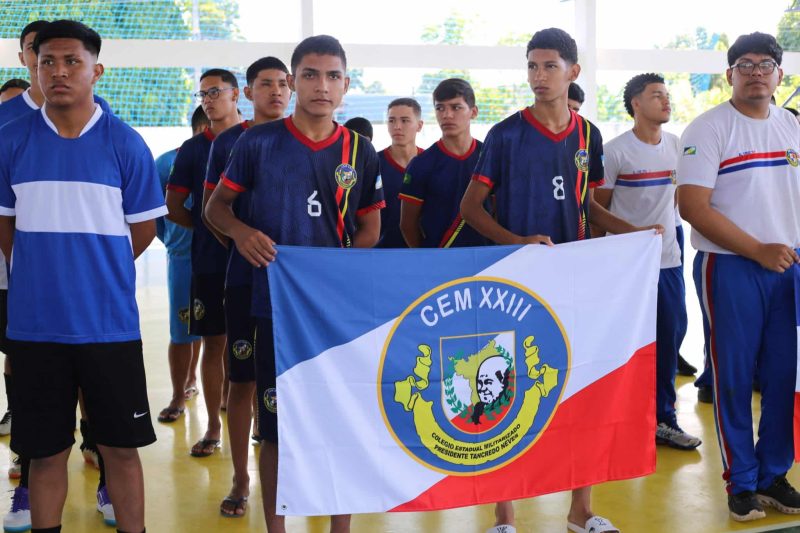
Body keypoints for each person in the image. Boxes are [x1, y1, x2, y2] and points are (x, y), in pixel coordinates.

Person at [461, 27, 662, 533]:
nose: (539, 76)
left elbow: (589, 205)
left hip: (575, 278)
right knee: (505, 390)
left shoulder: (588, 134)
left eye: (550, 66)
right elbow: (470, 208)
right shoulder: (506, 134)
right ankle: (504, 516)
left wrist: (634, 234)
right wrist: (517, 241)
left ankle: (580, 511)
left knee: (581, 389)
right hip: (515, 281)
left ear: (573, 72)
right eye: (532, 65)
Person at [205, 34, 383, 533]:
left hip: (336, 312)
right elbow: (215, 207)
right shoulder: (257, 142)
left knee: (339, 424)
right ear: (293, 81)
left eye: (332, 76)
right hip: (273, 307)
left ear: (346, 84)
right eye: (309, 75)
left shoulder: (360, 151)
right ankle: (276, 527)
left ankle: (339, 527)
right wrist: (241, 233)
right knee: (277, 427)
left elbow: (371, 229)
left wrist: (335, 266)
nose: (321, 86)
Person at [0, 20, 164, 533]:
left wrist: (97, 274)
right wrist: (42, 275)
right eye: (48, 61)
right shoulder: (9, 141)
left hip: (109, 327)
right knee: (44, 456)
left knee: (120, 450)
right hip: (34, 329)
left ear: (97, 69)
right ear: (33, 66)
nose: (59, 71)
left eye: (72, 61)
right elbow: (7, 229)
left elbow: (142, 233)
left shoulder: (126, 144)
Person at [678, 31, 800, 522]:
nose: (755, 72)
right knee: (732, 375)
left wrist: (783, 252)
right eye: (744, 64)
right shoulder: (708, 129)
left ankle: (774, 475)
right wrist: (757, 249)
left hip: (787, 266)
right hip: (729, 267)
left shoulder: (790, 126)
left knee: (781, 375)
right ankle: (742, 482)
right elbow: (692, 207)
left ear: (779, 74)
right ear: (729, 75)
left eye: (764, 64)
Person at [202, 56, 291, 518]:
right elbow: (213, 210)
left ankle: (304, 478)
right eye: (264, 84)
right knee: (244, 381)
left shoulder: (314, 139)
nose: (275, 92)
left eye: (281, 83)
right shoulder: (231, 142)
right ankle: (241, 477)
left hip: (301, 292)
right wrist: (242, 242)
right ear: (248, 92)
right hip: (243, 283)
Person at [594, 73, 701, 450]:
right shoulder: (616, 151)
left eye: (667, 95)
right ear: (636, 104)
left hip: (668, 261)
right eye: (657, 95)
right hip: (626, 267)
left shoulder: (677, 146)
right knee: (625, 345)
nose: (666, 101)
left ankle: (663, 419)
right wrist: (632, 234)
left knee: (670, 339)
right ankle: (617, 416)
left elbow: (679, 202)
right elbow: (594, 210)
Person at [166, 68, 241, 458]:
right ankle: (213, 424)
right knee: (214, 343)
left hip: (256, 262)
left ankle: (261, 421)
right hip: (209, 263)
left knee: (255, 346)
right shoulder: (193, 149)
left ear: (235, 95)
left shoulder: (256, 138)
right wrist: (207, 224)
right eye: (203, 94)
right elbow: (174, 206)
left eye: (215, 91)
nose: (208, 99)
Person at [154, 105, 208, 424]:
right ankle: (179, 392)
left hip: (220, 257)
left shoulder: (230, 157)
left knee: (213, 328)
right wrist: (176, 243)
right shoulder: (166, 163)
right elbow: (157, 216)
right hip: (183, 258)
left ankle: (199, 383)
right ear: (202, 128)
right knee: (182, 328)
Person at [399, 78, 485, 248]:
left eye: (456, 107)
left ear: (473, 112)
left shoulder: (489, 157)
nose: (447, 115)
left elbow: (499, 213)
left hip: (487, 260)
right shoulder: (421, 164)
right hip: (439, 263)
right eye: (440, 108)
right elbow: (407, 225)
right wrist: (427, 259)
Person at [376, 97, 424, 248]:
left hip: (424, 251)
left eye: (404, 121)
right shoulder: (372, 164)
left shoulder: (432, 163)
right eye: (391, 121)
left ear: (419, 125)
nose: (397, 126)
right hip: (380, 252)